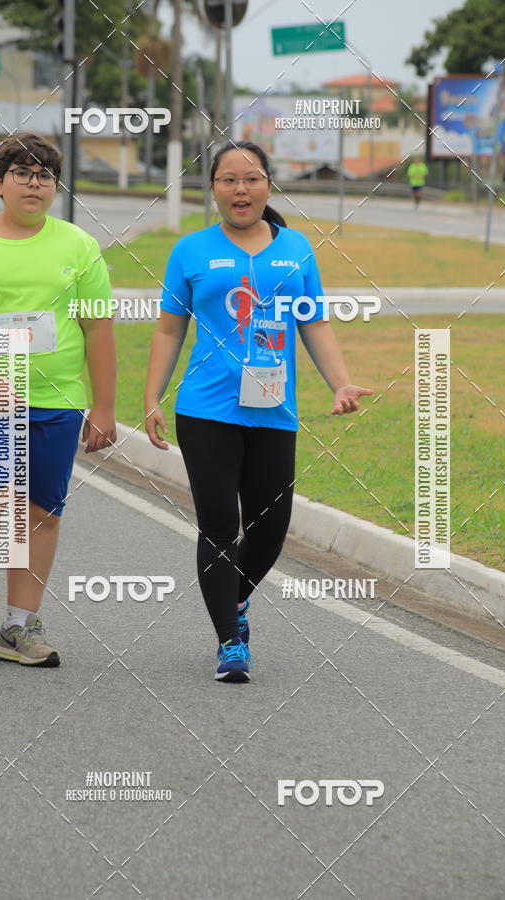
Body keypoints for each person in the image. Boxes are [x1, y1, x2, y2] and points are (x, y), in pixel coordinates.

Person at [144, 140, 372, 683]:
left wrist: (340, 383)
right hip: (206, 410)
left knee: (270, 528)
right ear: (214, 188)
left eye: (251, 179)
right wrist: (151, 397)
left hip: (273, 408)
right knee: (220, 524)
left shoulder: (296, 249)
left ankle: (233, 599)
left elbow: (313, 323)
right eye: (228, 180)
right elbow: (169, 328)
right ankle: (230, 642)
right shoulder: (191, 251)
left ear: (268, 184)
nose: (240, 189)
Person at [0, 133, 117, 667]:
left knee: (37, 511)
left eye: (45, 176)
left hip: (55, 399)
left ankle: (18, 627)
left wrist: (103, 406)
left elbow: (98, 326)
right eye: (22, 173)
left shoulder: (77, 245)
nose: (34, 184)